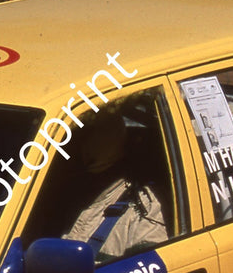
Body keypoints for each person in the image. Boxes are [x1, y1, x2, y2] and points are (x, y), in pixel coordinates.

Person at [62, 110, 167, 262]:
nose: (74, 145)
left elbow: (150, 268)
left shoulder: (144, 207)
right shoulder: (56, 195)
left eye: (85, 135)